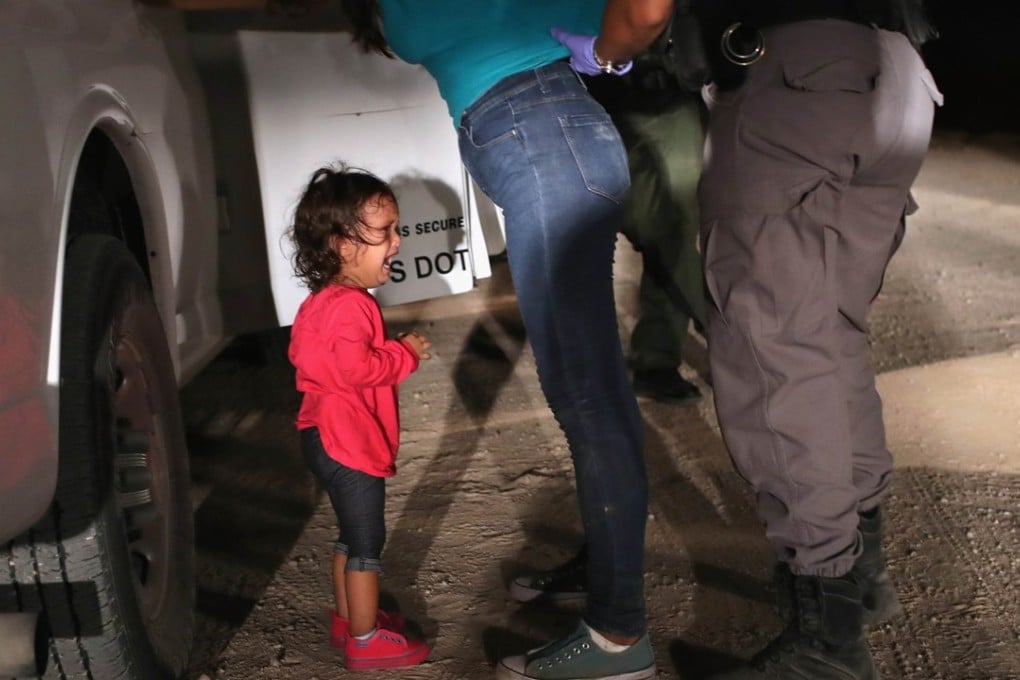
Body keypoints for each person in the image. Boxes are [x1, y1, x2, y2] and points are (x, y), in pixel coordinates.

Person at [559, 0, 942, 677]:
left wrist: (608, 51)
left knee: (774, 353)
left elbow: (645, 9)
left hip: (790, 74)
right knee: (831, 334)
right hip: (896, 71)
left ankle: (828, 639)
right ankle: (862, 581)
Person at [340, 2, 656, 679]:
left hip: (545, 137)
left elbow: (640, 12)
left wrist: (606, 52)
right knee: (589, 387)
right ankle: (607, 575)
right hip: (545, 137)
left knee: (586, 392)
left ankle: (618, 637)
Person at [507, 30, 708, 604]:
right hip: (583, 87)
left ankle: (660, 355)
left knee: (673, 228)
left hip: (661, 84)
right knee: (597, 233)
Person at [286, 165, 433, 671]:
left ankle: (349, 620)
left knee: (349, 535)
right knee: (367, 542)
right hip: (350, 443)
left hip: (318, 435)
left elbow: (309, 362)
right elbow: (357, 370)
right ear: (345, 245)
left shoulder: (317, 304)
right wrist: (404, 354)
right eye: (385, 231)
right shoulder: (354, 307)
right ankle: (366, 640)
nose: (397, 241)